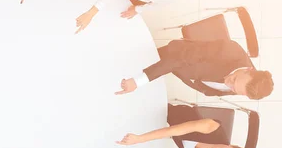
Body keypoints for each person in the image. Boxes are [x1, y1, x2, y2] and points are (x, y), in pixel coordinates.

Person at [115, 38, 274, 99]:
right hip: (176, 56)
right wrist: (138, 81)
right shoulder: (229, 51)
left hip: (187, 73)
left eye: (234, 89)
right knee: (134, 61)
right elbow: (176, 60)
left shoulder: (244, 87)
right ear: (249, 70)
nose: (228, 84)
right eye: (233, 79)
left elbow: (215, 89)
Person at [117, 103, 252, 148]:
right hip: (172, 115)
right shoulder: (211, 127)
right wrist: (139, 139)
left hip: (168, 132)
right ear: (233, 145)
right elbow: (173, 130)